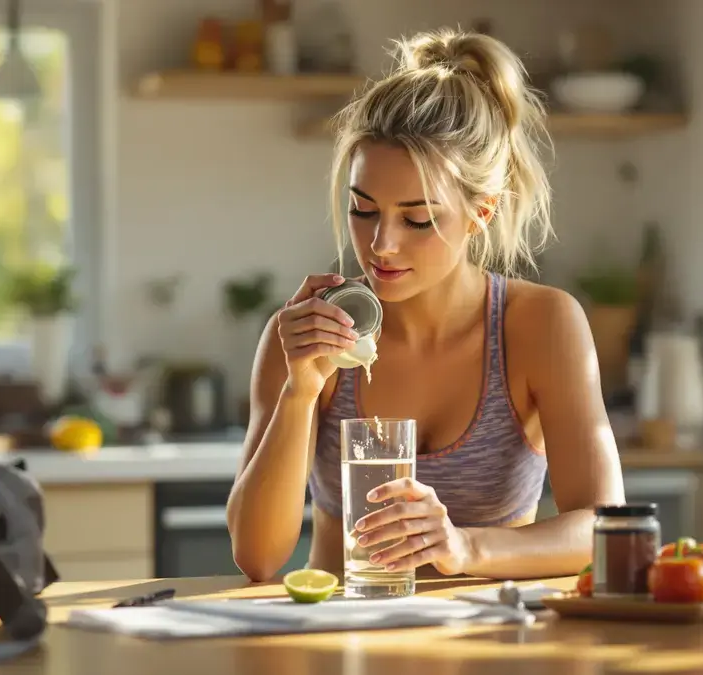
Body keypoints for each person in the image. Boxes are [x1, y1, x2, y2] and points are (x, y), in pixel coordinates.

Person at [225, 27, 626, 582]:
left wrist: (464, 549)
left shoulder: (541, 326)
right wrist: (301, 391)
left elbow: (604, 527)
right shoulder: (305, 334)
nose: (381, 244)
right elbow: (257, 558)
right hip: (345, 647)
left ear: (481, 213)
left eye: (417, 219)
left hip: (493, 650)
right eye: (363, 210)